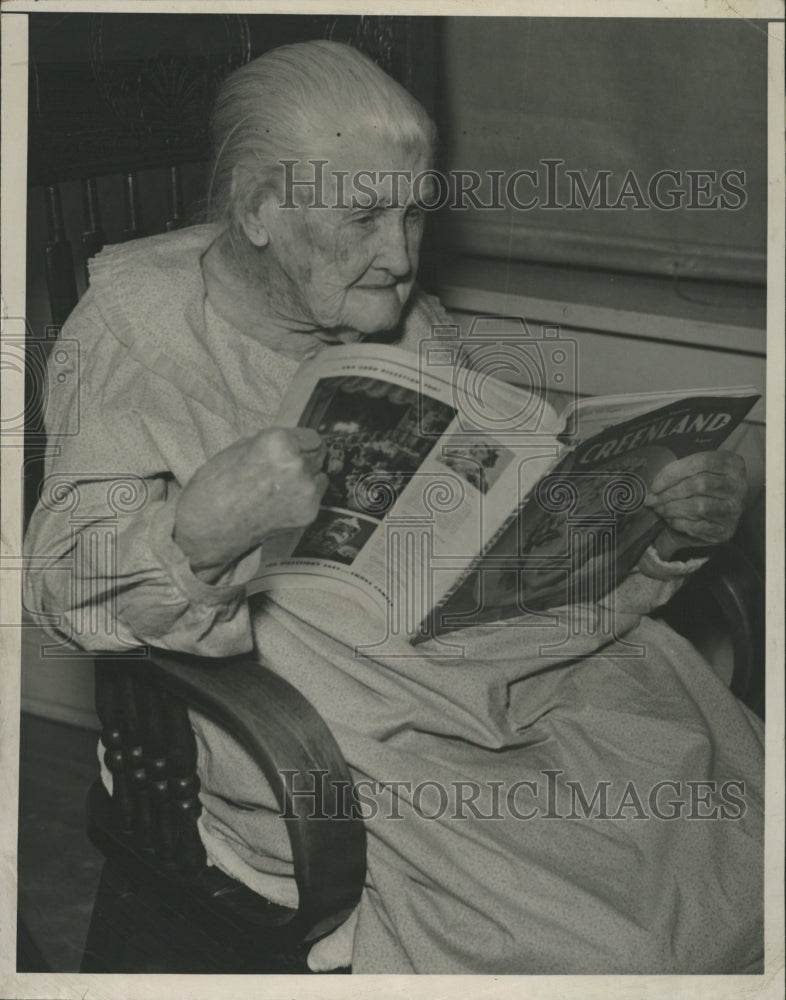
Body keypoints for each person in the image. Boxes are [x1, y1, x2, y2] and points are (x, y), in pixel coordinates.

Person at [24, 40, 763, 974]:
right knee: (605, 936)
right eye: (366, 216)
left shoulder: (399, 316)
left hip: (491, 662)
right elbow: (62, 586)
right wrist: (192, 533)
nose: (401, 256)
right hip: (333, 724)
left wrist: (656, 521)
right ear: (260, 209)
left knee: (728, 817)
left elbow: (504, 523)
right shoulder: (138, 333)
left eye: (414, 213)